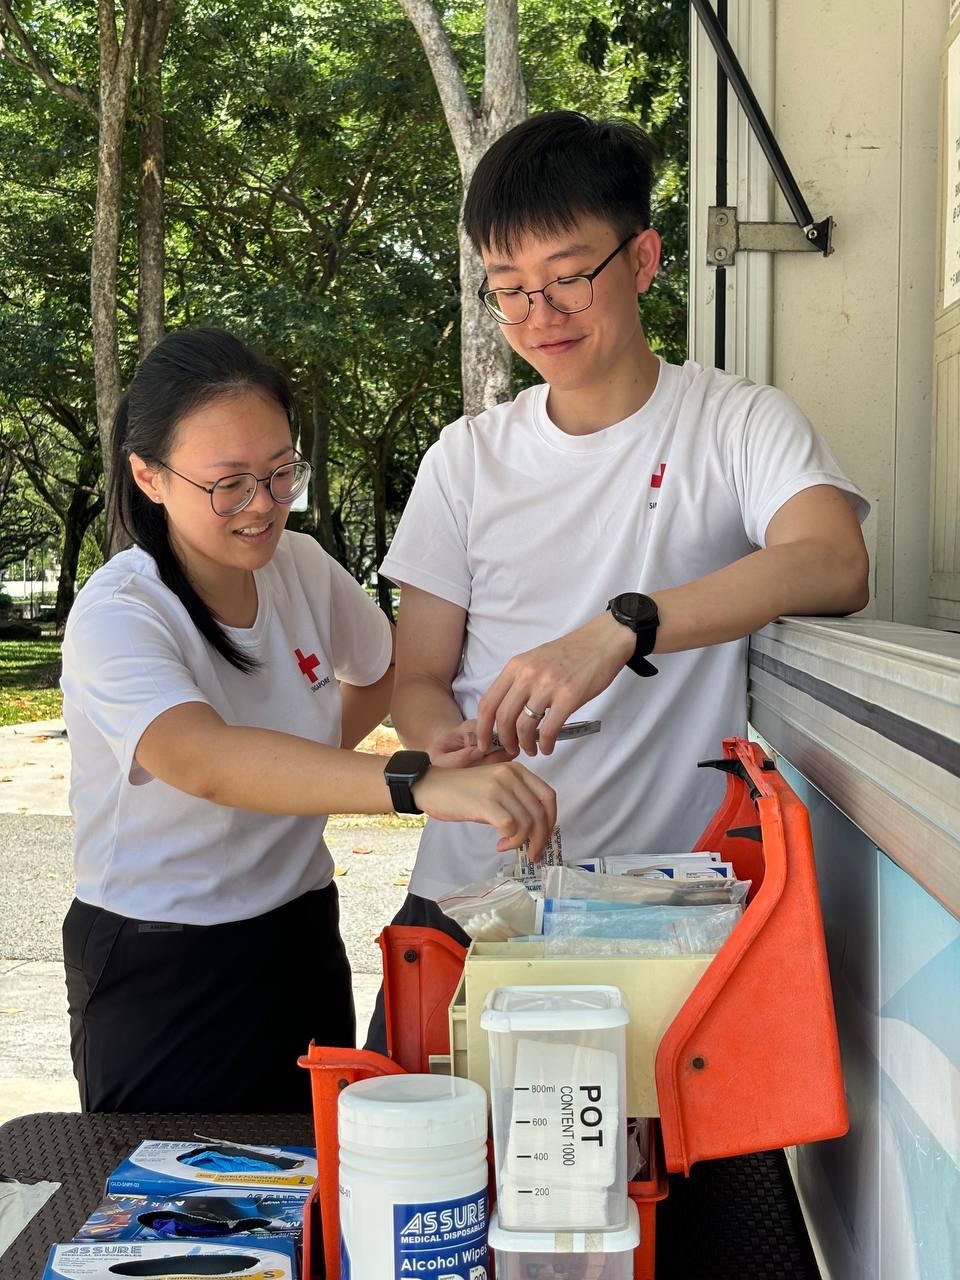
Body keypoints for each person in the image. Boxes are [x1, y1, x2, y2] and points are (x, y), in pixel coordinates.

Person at [366, 110, 869, 1048]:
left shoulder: (735, 423)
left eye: (566, 280)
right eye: (508, 290)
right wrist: (474, 761)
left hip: (659, 920)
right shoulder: (467, 458)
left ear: (641, 260)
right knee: (429, 1176)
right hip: (467, 909)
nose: (537, 318)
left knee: (647, 1191)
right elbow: (419, 682)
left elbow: (835, 562)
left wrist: (624, 627)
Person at [60, 327, 555, 1113]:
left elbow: (384, 668)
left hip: (296, 932)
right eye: (229, 484)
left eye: (280, 471)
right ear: (148, 476)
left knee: (316, 1180)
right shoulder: (121, 612)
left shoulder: (300, 565)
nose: (263, 505)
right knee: (171, 1207)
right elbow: (205, 760)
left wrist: (306, 764)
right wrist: (413, 782)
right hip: (160, 956)